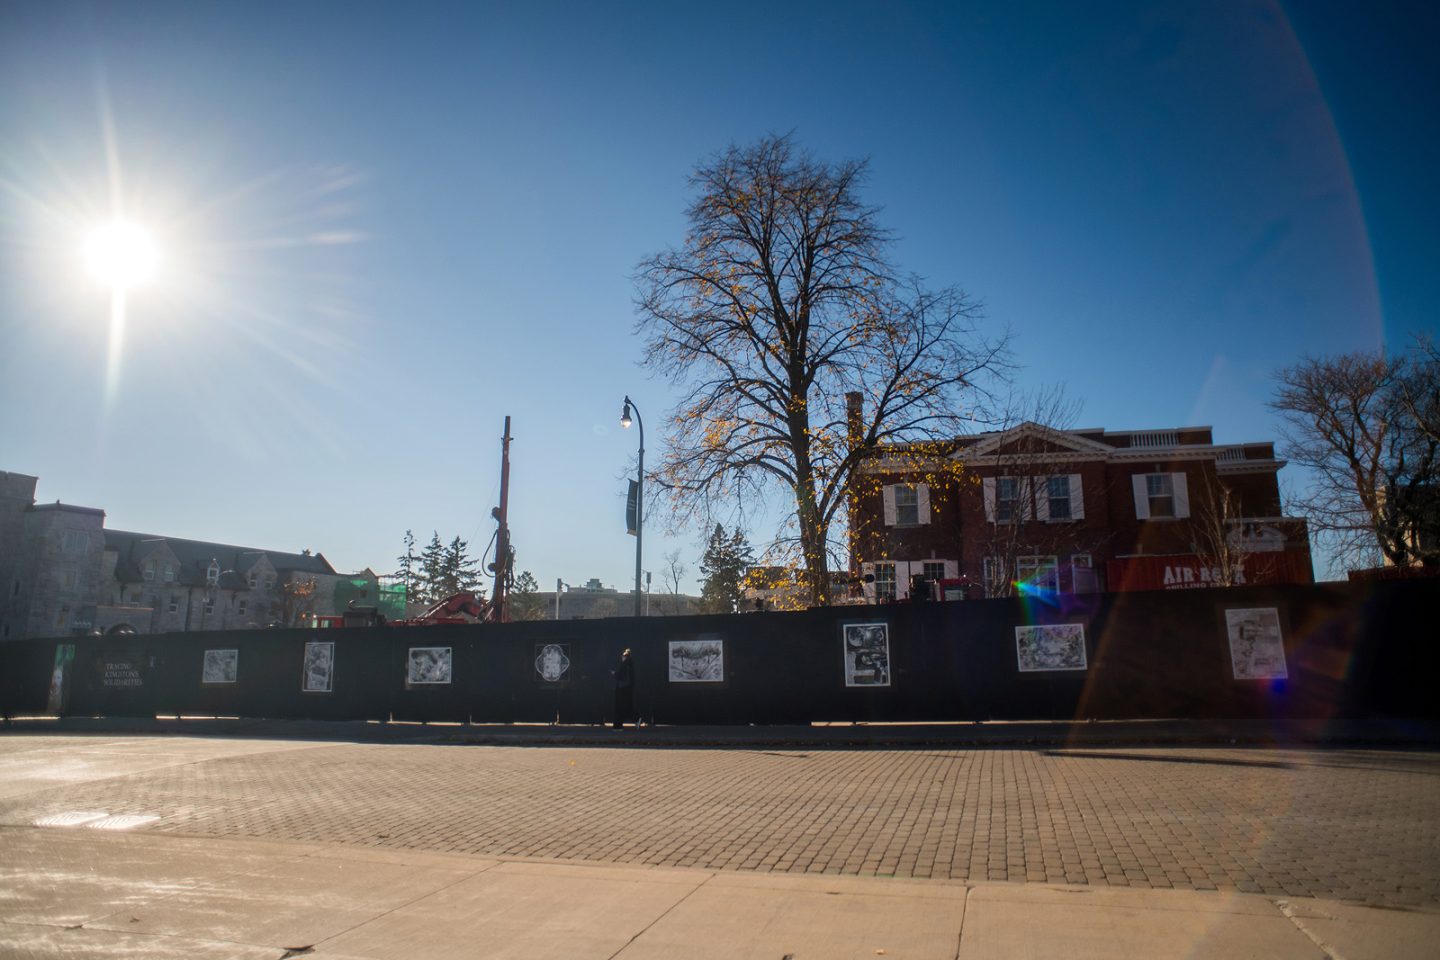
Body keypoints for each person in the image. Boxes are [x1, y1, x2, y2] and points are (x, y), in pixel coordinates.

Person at [612, 648, 635, 729]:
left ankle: (618, 726)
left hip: (622, 688)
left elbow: (621, 676)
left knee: (620, 707)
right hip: (627, 688)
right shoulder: (631, 664)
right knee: (627, 706)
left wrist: (614, 673)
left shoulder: (624, 664)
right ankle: (636, 719)